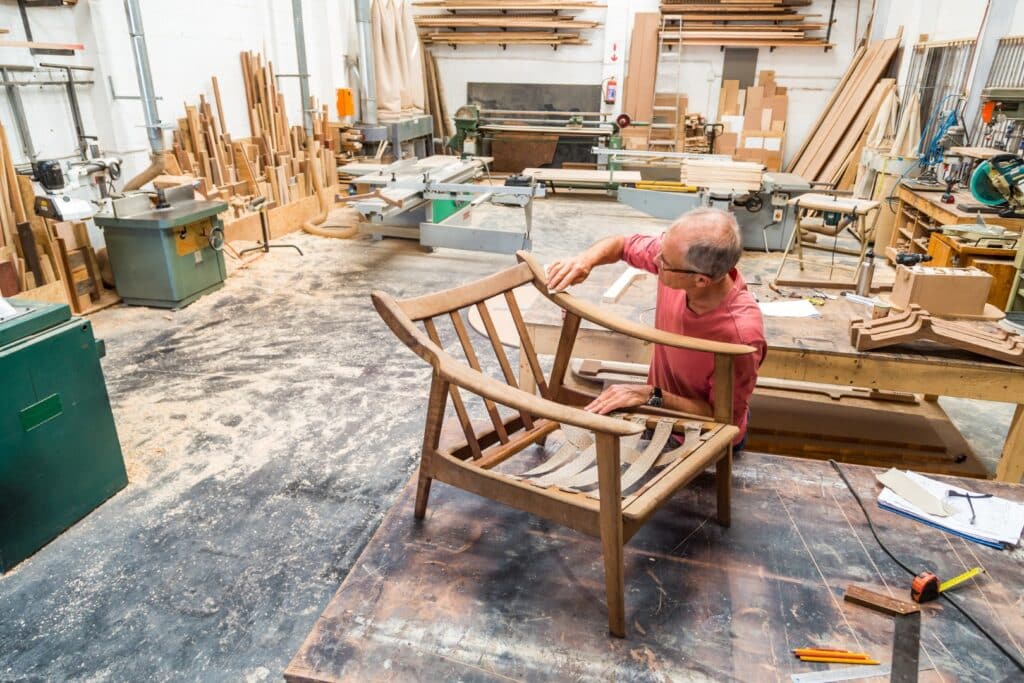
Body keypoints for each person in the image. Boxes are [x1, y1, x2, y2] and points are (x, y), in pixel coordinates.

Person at [545, 207, 766, 449]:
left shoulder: (741, 337)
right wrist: (584, 261)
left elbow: (721, 417)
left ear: (701, 280)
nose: (655, 260)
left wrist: (651, 395)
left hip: (700, 439)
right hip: (658, 413)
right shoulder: (678, 260)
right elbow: (622, 245)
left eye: (664, 262)